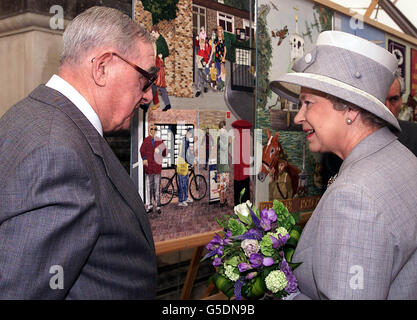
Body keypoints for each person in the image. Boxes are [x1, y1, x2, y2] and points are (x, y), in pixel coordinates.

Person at [0, 7, 158, 299]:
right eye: (146, 78)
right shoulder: (58, 153)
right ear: (102, 67)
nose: (149, 95)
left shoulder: (28, 114)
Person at [270, 30, 417, 299]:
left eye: (308, 103)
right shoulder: (402, 158)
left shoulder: (355, 197)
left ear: (349, 109)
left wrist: (284, 293)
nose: (299, 117)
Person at [385, 73, 417, 157]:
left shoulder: (414, 134)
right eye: (382, 99)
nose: (387, 107)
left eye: (394, 99)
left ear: (401, 100)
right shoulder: (351, 137)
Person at [140, 125, 167, 214]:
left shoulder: (160, 140)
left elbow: (165, 153)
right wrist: (144, 159)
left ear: (157, 131)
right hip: (149, 168)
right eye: (152, 129)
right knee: (149, 188)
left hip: (157, 168)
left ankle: (158, 206)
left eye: (155, 129)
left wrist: (160, 150)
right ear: (149, 130)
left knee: (157, 187)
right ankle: (150, 205)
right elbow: (142, 150)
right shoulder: (146, 140)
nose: (153, 130)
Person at [150, 25, 171, 112]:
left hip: (159, 65)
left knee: (160, 85)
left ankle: (167, 104)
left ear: (157, 32)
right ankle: (157, 104)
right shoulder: (156, 41)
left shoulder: (161, 40)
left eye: (153, 33)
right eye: (152, 33)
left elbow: (167, 52)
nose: (152, 34)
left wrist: (162, 54)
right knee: (154, 85)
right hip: (156, 65)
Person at [177, 128, 195, 207]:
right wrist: (191, 161)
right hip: (182, 164)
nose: (191, 134)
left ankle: (186, 197)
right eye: (190, 133)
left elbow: (188, 153)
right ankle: (181, 201)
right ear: (187, 132)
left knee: (186, 182)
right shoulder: (184, 141)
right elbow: (184, 154)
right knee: (182, 183)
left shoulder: (186, 140)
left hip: (184, 164)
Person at [217, 120, 231, 207]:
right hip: (223, 164)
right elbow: (224, 148)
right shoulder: (221, 137)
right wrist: (229, 142)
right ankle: (222, 201)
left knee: (223, 183)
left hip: (223, 164)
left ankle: (223, 199)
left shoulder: (220, 136)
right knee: (222, 183)